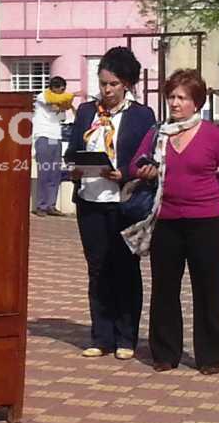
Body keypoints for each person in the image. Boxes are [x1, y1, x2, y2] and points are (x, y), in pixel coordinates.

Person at [125, 69, 219, 375]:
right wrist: (145, 172)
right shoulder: (158, 134)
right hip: (166, 221)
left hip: (207, 222)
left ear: (196, 103)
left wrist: (205, 188)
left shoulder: (212, 135)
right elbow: (134, 164)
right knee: (164, 288)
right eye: (172, 97)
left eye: (182, 98)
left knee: (207, 289)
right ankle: (165, 353)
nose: (175, 103)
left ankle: (210, 356)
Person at [64, 47, 156, 360]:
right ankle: (101, 336)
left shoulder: (141, 115)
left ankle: (126, 337)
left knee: (125, 268)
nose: (107, 90)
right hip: (90, 199)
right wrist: (75, 168)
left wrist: (124, 173)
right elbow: (73, 150)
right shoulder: (86, 112)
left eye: (113, 84)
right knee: (98, 268)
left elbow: (147, 158)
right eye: (103, 83)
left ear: (126, 84)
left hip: (124, 201)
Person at [32, 76, 75, 217]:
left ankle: (51, 205)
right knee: (44, 172)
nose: (62, 93)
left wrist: (66, 105)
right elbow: (54, 102)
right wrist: (71, 96)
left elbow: (61, 116)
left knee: (55, 173)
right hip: (43, 136)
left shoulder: (60, 101)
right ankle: (41, 205)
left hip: (56, 137)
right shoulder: (43, 96)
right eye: (60, 90)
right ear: (54, 88)